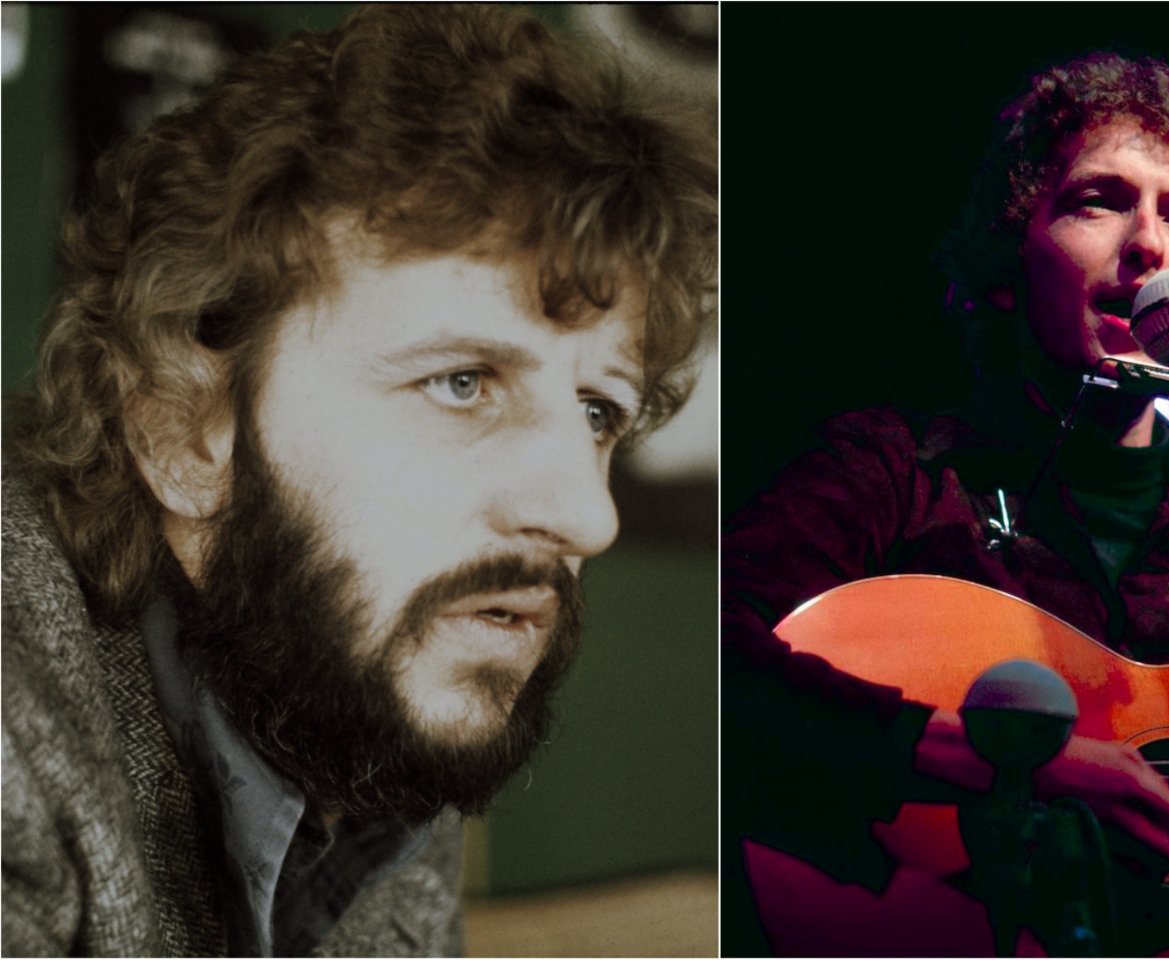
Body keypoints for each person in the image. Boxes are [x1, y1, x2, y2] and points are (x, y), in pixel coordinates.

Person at [2, 5, 715, 956]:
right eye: (461, 383)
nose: (586, 516)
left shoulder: (354, 709)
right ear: (182, 431)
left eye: (597, 412)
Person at [722, 52, 1169, 955]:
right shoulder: (894, 472)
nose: (1149, 245)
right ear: (1008, 260)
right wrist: (990, 756)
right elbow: (715, 665)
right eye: (1099, 201)